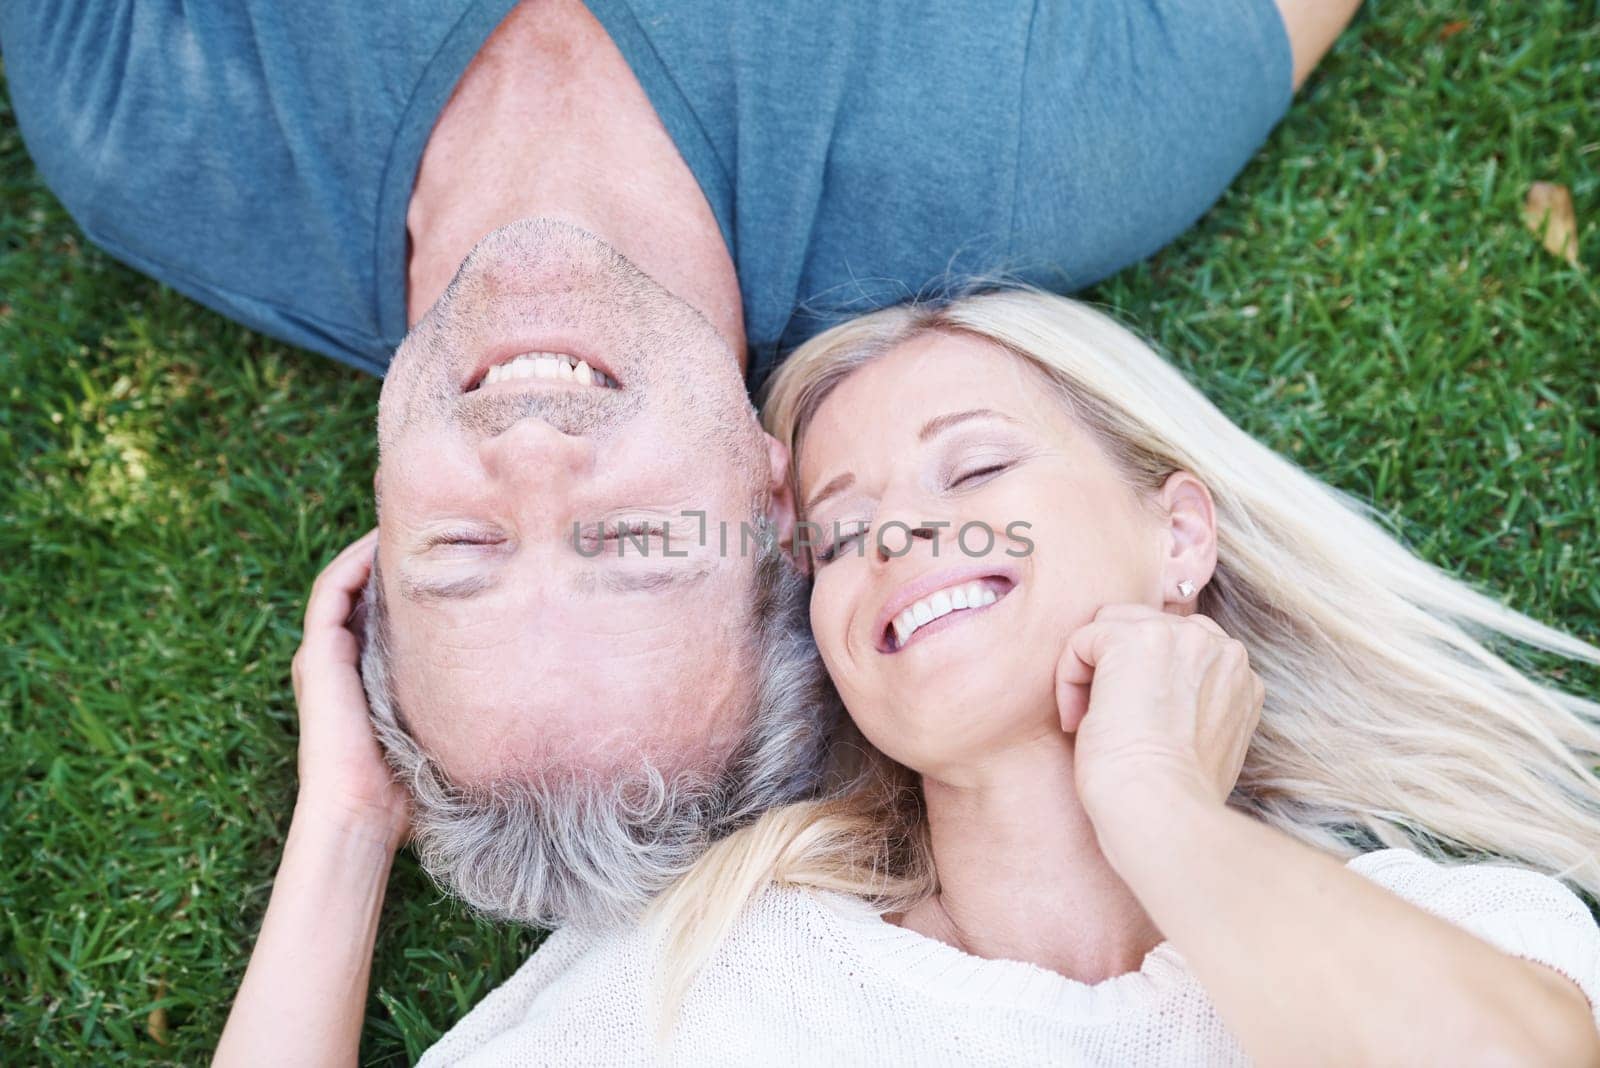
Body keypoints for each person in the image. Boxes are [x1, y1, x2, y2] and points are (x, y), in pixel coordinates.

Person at [1, 0, 1366, 934]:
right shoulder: (1041, 151)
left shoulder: (161, 145)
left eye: (462, 553)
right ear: (779, 506)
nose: (530, 459)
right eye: (636, 543)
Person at [403, 291, 1600, 1064]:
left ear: (1178, 536)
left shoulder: (1454, 933)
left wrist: (1157, 805)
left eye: (973, 470)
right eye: (838, 532)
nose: (898, 539)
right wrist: (351, 829)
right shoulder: (717, 975)